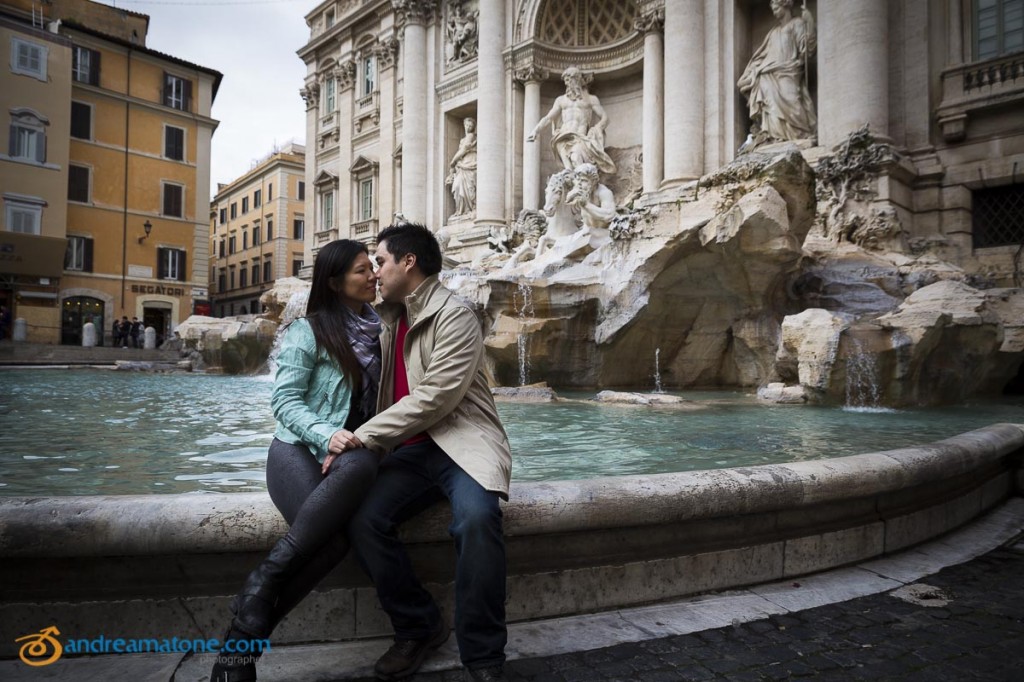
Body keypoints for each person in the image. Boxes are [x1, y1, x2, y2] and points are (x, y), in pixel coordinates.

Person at [328, 222, 512, 682]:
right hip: (410, 451)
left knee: (476, 520)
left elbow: (435, 398)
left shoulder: (456, 315)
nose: (375, 270)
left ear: (409, 263)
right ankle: (418, 625)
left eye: (382, 261)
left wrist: (362, 437)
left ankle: (484, 656)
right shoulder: (386, 315)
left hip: (462, 442)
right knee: (362, 520)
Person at [210, 239, 382, 682]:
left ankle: (257, 594)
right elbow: (284, 402)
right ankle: (240, 649)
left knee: (363, 465)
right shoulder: (307, 330)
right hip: (295, 450)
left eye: (372, 268)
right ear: (334, 281)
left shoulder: (384, 330)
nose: (373, 276)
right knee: (333, 543)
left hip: (351, 457)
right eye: (362, 270)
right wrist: (327, 436)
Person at [737, 0, 817, 150]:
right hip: (768, 74)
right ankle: (775, 137)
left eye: (776, 8)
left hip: (790, 71)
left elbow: (807, 50)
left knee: (793, 101)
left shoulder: (798, 23)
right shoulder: (773, 32)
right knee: (771, 105)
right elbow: (762, 56)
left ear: (785, 6)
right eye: (772, 9)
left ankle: (801, 134)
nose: (774, 12)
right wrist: (752, 73)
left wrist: (810, 23)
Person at [527, 66, 616, 175]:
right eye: (566, 81)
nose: (567, 84)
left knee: (575, 158)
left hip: (580, 137)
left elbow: (605, 118)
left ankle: (583, 187)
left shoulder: (590, 99)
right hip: (562, 137)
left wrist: (597, 128)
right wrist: (536, 130)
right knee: (568, 170)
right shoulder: (561, 100)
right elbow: (548, 118)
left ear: (577, 79)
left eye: (569, 80)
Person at [446, 117, 478, 218]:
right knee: (458, 186)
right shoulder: (463, 139)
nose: (468, 127)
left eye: (471, 126)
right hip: (462, 164)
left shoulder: (471, 136)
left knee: (469, 187)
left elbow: (463, 150)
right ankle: (460, 210)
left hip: (470, 162)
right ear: (464, 125)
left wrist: (453, 161)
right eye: (467, 125)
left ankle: (469, 208)